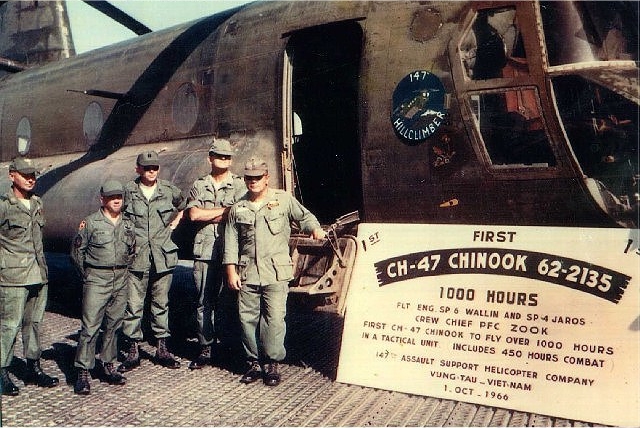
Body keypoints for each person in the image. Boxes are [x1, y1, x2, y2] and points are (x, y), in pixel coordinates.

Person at [223, 157, 326, 386]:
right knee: (247, 319)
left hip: (276, 272)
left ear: (266, 178)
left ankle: (271, 363)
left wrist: (315, 228)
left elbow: (305, 217)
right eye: (249, 178)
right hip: (248, 271)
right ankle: (252, 363)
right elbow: (230, 242)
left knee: (275, 319)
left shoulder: (283, 200)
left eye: (257, 177)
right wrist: (231, 271)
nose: (253, 182)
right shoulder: (238, 207)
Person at [118, 151, 186, 372]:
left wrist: (175, 221)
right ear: (138, 169)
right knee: (133, 305)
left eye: (154, 167)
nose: (151, 171)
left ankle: (161, 348)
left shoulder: (168, 190)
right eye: (146, 168)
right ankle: (133, 349)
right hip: (136, 256)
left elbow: (183, 203)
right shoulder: (128, 191)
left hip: (162, 255)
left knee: (160, 304)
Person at [185, 139, 246, 370]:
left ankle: (229, 346)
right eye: (220, 156)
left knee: (232, 301)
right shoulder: (199, 185)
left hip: (232, 251)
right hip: (205, 250)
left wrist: (208, 212)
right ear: (210, 158)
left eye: (228, 157)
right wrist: (225, 211)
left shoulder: (240, 185)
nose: (224, 160)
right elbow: (193, 215)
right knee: (204, 301)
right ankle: (205, 347)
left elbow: (240, 214)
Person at [71, 180, 135, 395]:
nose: (116, 200)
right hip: (97, 278)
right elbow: (77, 253)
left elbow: (132, 250)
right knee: (90, 327)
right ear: (102, 199)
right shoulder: (90, 223)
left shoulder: (127, 224)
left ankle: (108, 364)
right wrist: (89, 276)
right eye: (111, 197)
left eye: (119, 196)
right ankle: (82, 371)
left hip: (121, 279)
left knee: (114, 324)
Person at [0, 158, 59, 396]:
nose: (31, 178)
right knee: (9, 325)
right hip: (13, 276)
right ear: (12, 175)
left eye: (33, 174)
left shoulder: (37, 203)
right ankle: (2, 371)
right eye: (25, 174)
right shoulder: (4, 205)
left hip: (38, 274)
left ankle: (33, 367)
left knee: (34, 324)